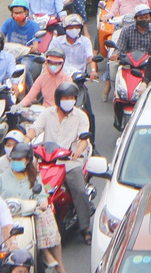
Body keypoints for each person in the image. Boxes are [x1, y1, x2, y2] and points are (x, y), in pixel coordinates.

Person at [26, 82, 93, 243]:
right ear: (58, 99)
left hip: (70, 159)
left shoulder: (80, 116)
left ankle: (85, 228)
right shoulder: (47, 113)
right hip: (48, 159)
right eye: (65, 98)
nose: (68, 101)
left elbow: (84, 139)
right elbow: (35, 128)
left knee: (78, 189)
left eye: (71, 98)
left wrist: (78, 150)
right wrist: (27, 138)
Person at [1, 144, 66, 272]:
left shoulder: (34, 177)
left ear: (27, 160)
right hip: (9, 217)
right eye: (13, 159)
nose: (15, 162)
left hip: (29, 214)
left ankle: (55, 261)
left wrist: (42, 202)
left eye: (19, 159)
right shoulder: (2, 178)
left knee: (46, 214)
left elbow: (41, 194)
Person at [17, 44, 72, 109]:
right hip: (45, 113)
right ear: (46, 62)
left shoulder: (67, 79)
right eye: (50, 63)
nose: (53, 65)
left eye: (56, 63)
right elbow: (30, 96)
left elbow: (69, 101)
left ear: (62, 64)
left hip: (62, 112)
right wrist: (20, 105)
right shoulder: (42, 78)